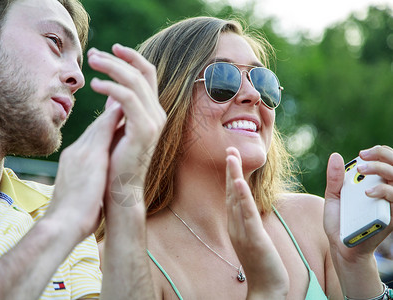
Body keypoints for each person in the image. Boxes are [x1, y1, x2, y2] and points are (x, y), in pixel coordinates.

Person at [96, 16, 393, 299]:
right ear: (163, 105)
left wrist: (356, 266)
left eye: (262, 81)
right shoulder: (120, 262)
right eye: (222, 80)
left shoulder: (314, 224)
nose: (251, 94)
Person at [0, 0, 165, 299]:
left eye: (79, 62)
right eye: (55, 42)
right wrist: (59, 228)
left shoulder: (54, 208)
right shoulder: (64, 216)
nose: (78, 78)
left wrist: (126, 190)